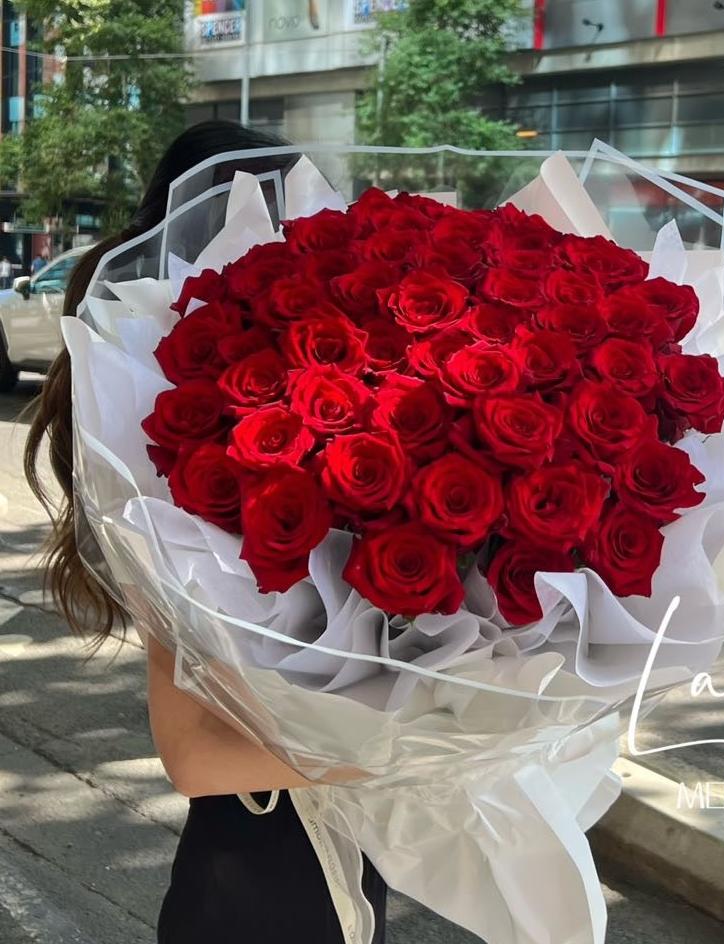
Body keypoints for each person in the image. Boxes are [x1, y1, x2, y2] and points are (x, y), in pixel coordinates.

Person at [23, 121, 388, 944]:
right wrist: (427, 745)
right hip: (253, 882)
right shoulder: (161, 466)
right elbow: (196, 757)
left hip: (340, 854)